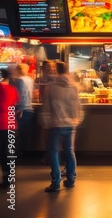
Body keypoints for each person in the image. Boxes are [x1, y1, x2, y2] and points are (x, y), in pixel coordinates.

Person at [41, 62, 82, 192]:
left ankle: (56, 182)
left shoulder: (51, 86)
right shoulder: (74, 86)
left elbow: (47, 106)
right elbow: (78, 106)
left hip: (56, 124)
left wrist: (45, 122)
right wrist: (76, 120)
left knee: (53, 152)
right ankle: (70, 179)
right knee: (69, 151)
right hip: (71, 124)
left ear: (57, 71)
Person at [0, 69, 19, 188]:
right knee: (8, 153)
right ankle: (8, 178)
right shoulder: (13, 89)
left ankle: (7, 179)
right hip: (12, 124)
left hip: (1, 124)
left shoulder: (1, 89)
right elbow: (15, 105)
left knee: (3, 154)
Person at [13, 63, 35, 158]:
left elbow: (20, 95)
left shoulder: (20, 80)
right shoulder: (30, 80)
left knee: (17, 133)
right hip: (29, 108)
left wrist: (19, 109)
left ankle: (16, 154)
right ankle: (20, 153)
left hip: (22, 109)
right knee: (24, 134)